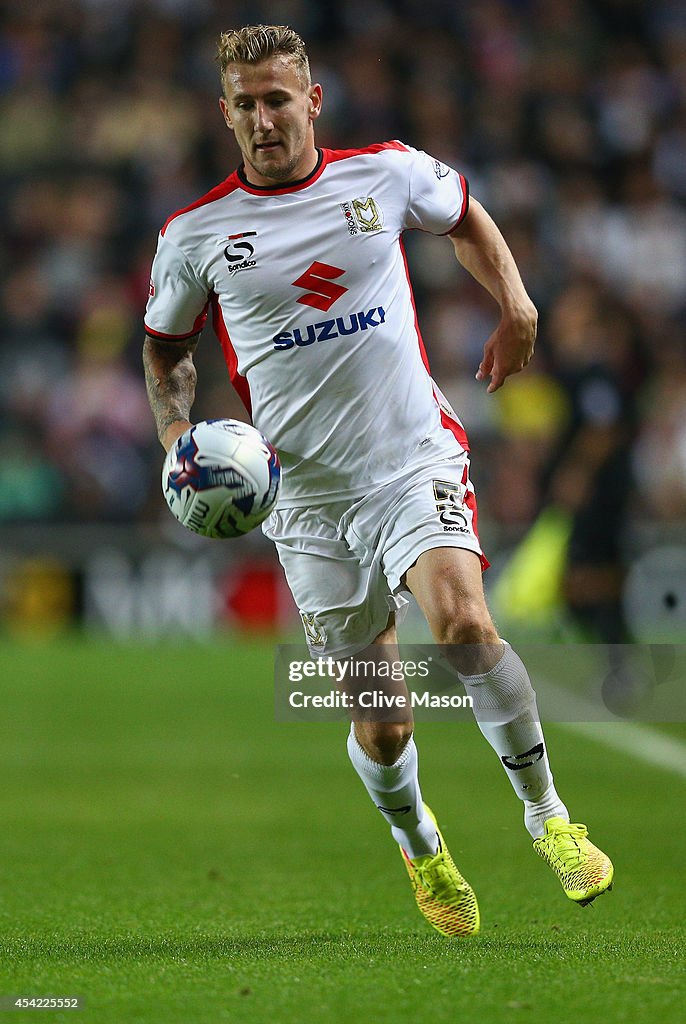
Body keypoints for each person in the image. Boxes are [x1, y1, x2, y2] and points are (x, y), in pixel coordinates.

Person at [142, 24, 613, 937]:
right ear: (225, 113)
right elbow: (166, 354)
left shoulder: (385, 173)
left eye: (278, 98)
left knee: (469, 627)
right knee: (386, 722)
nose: (263, 117)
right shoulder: (195, 235)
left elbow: (465, 215)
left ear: (312, 101)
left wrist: (514, 302)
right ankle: (422, 844)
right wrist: (176, 442)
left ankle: (550, 818)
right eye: (244, 103)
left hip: (409, 459)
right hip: (306, 503)